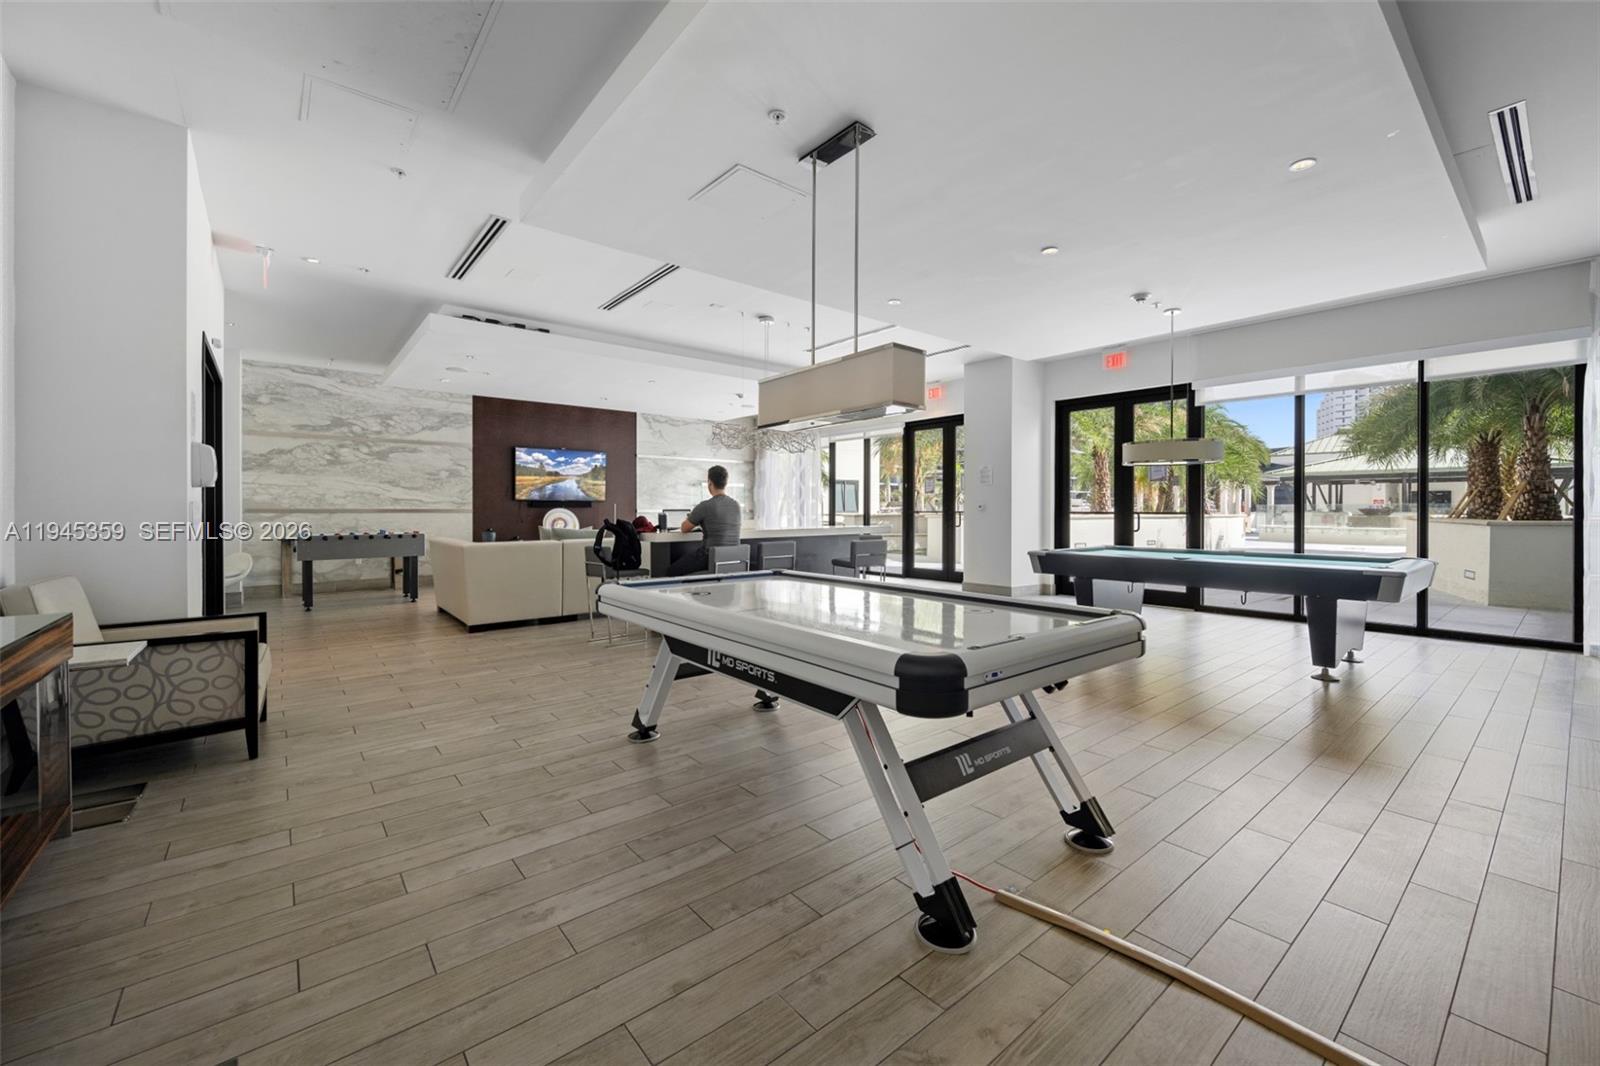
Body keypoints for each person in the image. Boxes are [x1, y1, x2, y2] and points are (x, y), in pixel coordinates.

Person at [668, 464, 741, 575]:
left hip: (709, 557)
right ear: (725, 483)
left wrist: (693, 517)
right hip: (732, 558)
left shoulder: (705, 506)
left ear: (710, 483)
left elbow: (684, 528)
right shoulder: (736, 505)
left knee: (671, 571)